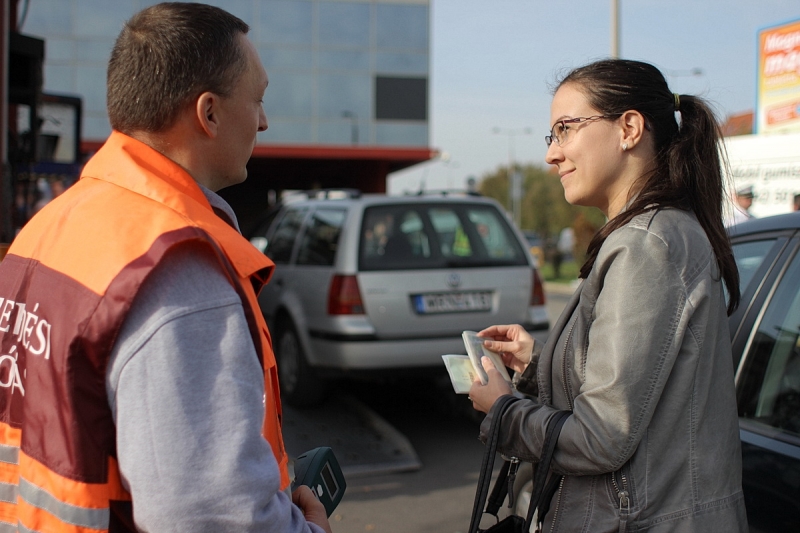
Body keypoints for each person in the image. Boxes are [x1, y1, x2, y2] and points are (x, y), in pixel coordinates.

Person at [0, 3, 332, 532]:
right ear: (209, 114)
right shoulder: (177, 267)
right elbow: (209, 516)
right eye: (258, 100)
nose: (264, 121)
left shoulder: (49, 225)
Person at [469, 59, 747, 532]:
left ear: (629, 129)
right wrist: (539, 363)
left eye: (565, 129)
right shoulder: (651, 234)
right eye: (552, 135)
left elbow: (602, 436)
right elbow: (641, 389)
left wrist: (503, 412)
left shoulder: (646, 245)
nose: (551, 154)